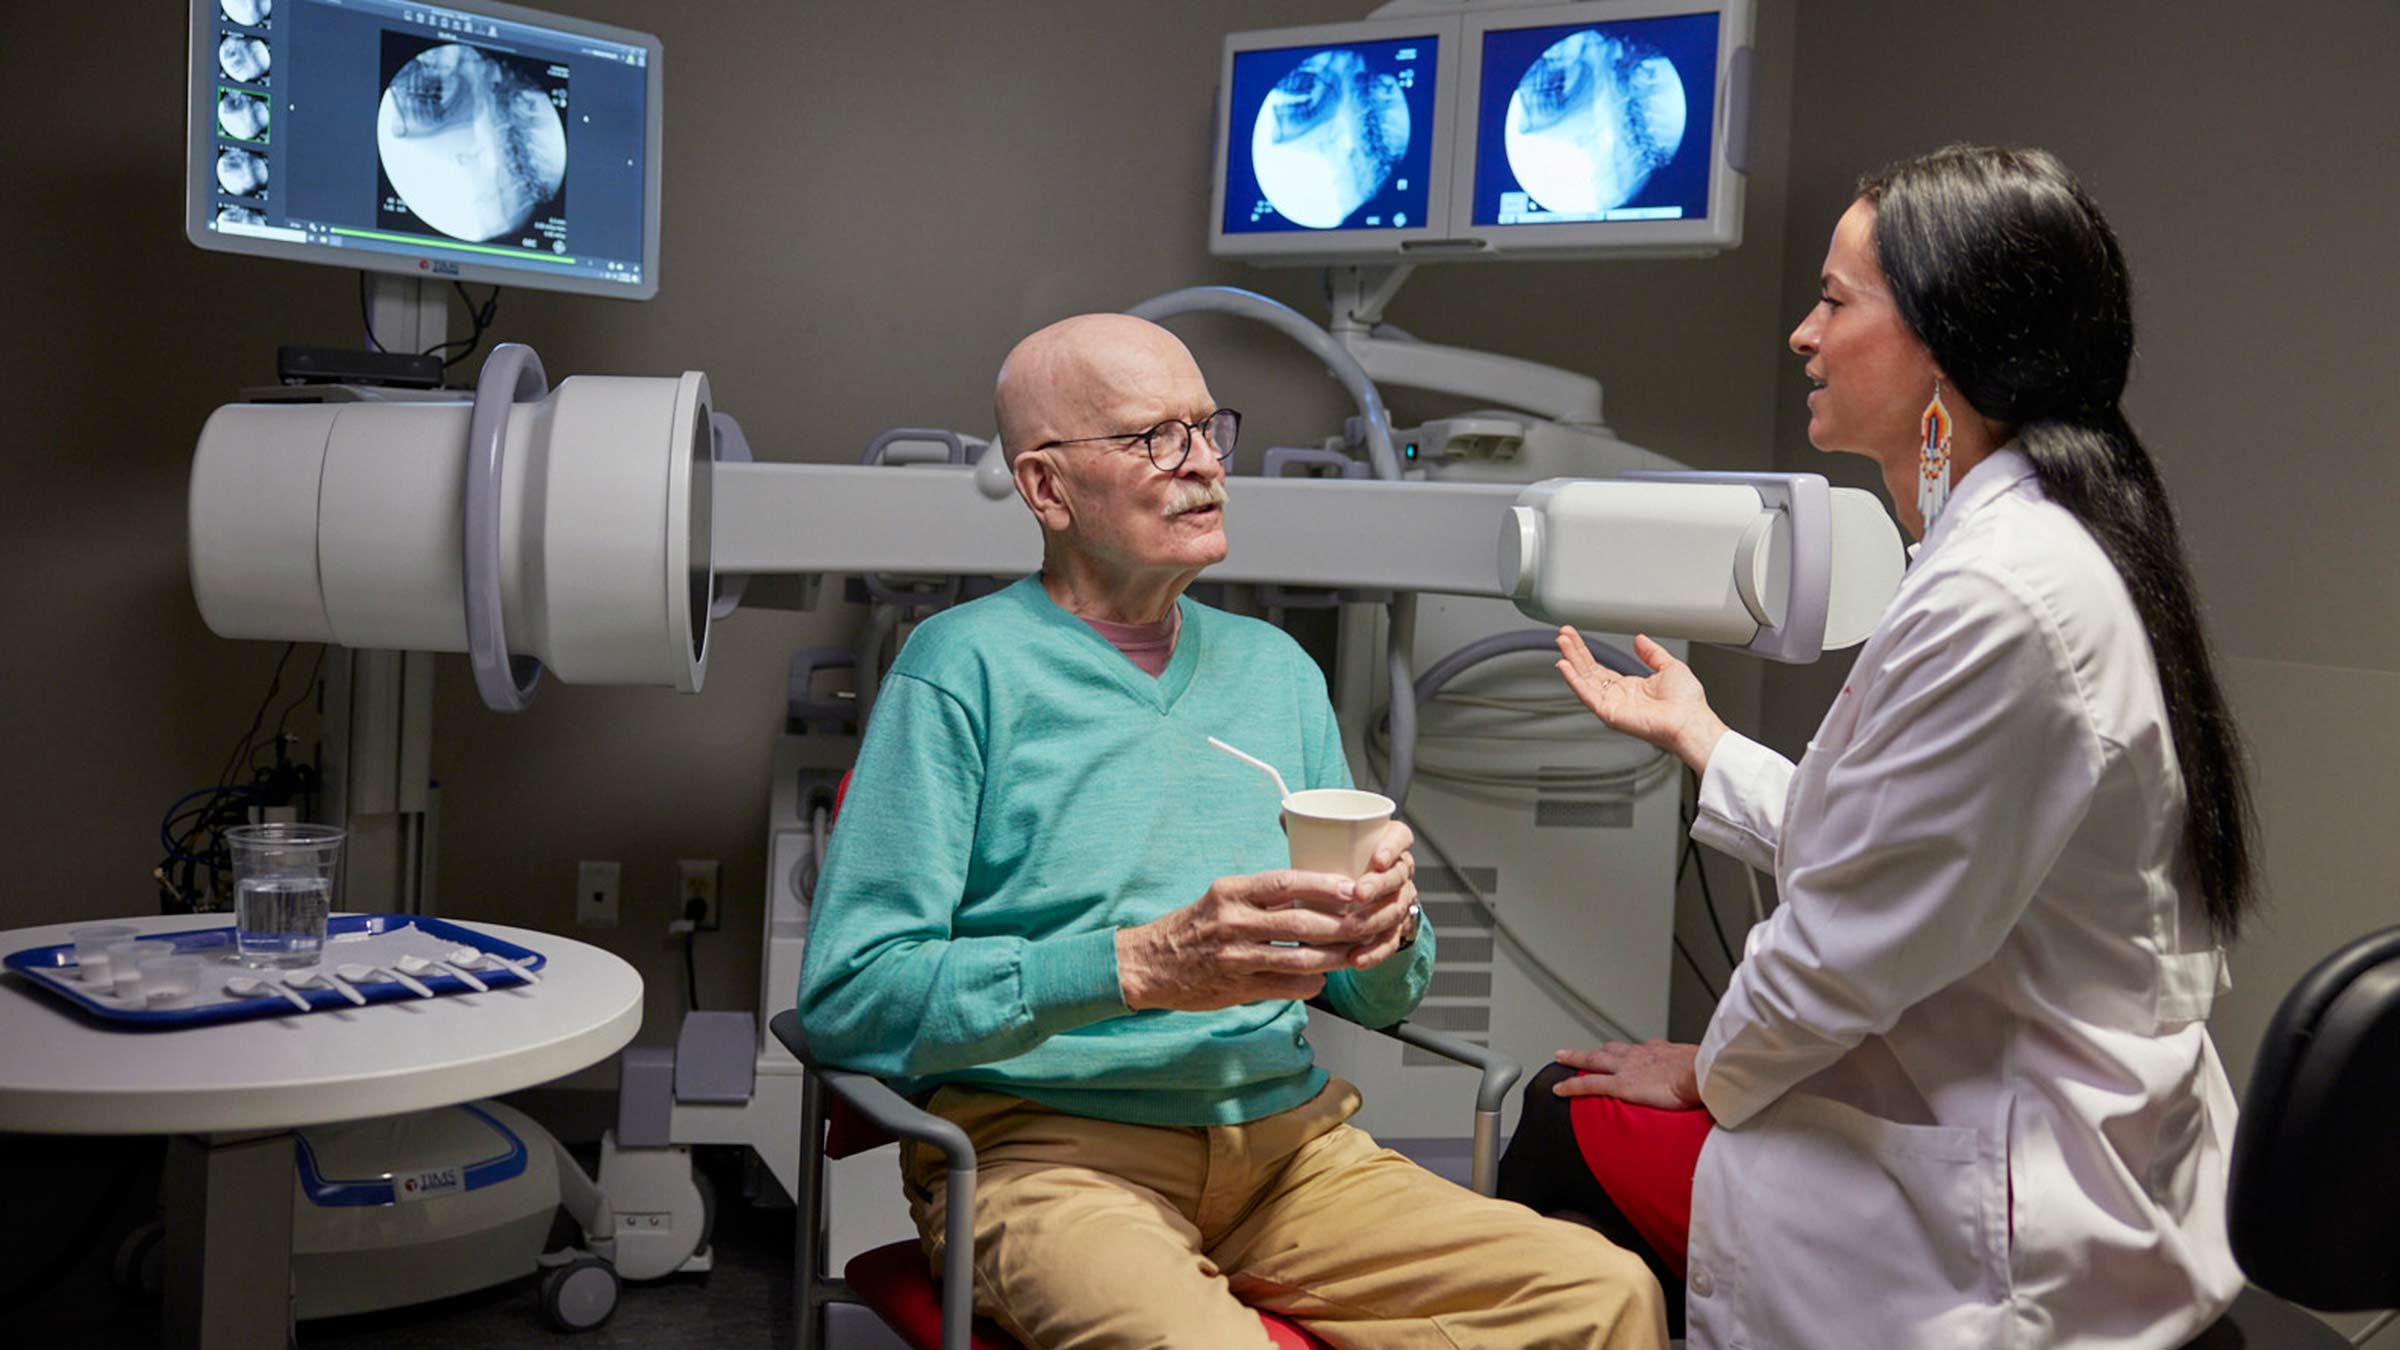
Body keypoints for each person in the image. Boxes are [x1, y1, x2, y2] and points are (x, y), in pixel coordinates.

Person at [1495, 145, 2257, 1349]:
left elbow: (1838, 952)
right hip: (2036, 1119)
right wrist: (1704, 737)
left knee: (1557, 1118)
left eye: (1835, 302)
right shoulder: (2036, 544)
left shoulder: (2001, 595)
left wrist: (1707, 1069)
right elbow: (1894, 850)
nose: (1804, 335)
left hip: (2009, 1199)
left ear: (1943, 345)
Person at [798, 313, 1667, 1348]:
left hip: (1290, 1152)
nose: (1206, 463)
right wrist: (1139, 965)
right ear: (1046, 488)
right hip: (1047, 1158)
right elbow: (851, 1000)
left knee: (1605, 1294)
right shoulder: (961, 671)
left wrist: (1388, 931)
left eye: (1210, 429)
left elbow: (1380, 994)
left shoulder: (1276, 674)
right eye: (1154, 438)